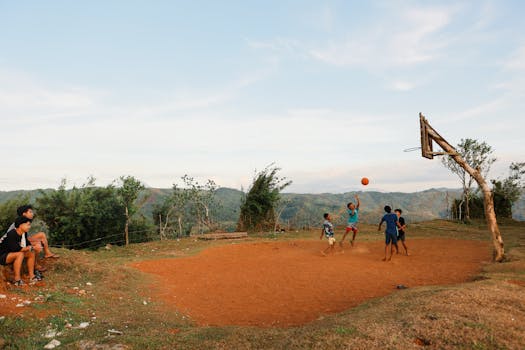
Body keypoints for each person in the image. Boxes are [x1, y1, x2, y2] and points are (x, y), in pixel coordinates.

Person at [0, 216, 42, 286]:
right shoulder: (12, 234)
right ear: (20, 225)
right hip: (2, 255)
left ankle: (32, 276)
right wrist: (33, 247)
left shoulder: (23, 233)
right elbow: (16, 249)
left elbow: (28, 245)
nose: (29, 227)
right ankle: (17, 280)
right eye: (28, 225)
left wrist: (35, 247)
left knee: (31, 253)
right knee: (20, 254)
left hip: (11, 253)